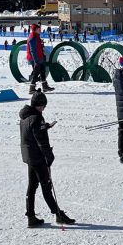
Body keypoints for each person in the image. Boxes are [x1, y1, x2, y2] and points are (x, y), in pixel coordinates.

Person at [19, 91, 75, 227]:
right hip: (38, 158)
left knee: (32, 186)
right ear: (38, 105)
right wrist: (49, 157)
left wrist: (45, 127)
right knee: (46, 186)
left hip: (29, 156)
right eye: (43, 106)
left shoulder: (25, 117)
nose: (44, 108)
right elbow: (41, 141)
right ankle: (58, 214)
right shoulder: (37, 119)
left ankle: (30, 217)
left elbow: (32, 133)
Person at [27, 24, 53, 94]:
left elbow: (38, 47)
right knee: (36, 73)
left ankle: (45, 87)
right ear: (35, 30)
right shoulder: (33, 37)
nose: (40, 30)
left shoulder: (36, 36)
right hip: (35, 59)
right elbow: (33, 50)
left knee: (42, 71)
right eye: (39, 29)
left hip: (40, 57)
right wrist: (36, 61)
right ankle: (31, 88)